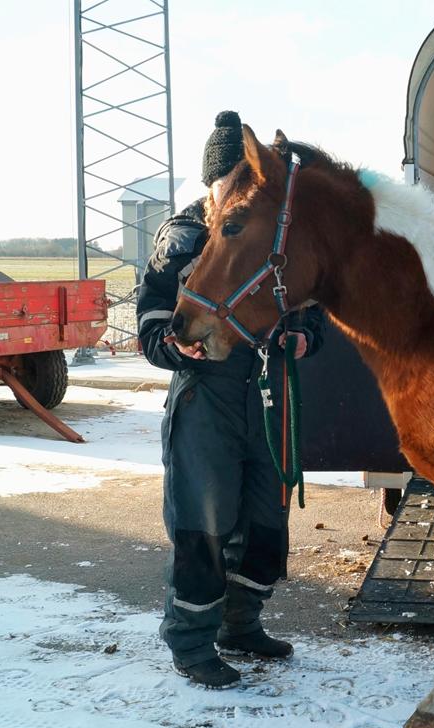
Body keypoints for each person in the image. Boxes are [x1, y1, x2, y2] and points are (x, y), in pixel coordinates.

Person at [137, 110, 326, 688]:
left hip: (266, 394)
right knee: (204, 523)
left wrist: (304, 337)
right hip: (206, 400)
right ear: (210, 183)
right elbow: (150, 323)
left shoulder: (271, 231)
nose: (236, 192)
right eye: (228, 182)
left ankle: (240, 624)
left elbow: (308, 306)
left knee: (265, 522)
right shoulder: (183, 237)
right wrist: (173, 349)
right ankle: (191, 642)